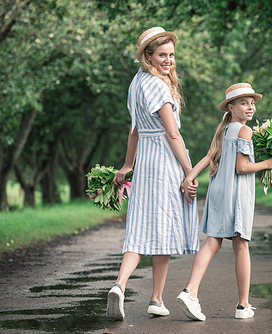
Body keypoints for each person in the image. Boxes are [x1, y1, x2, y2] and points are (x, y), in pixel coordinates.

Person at [107, 27, 199, 321]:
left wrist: (127, 164)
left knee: (141, 227)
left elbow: (133, 130)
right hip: (163, 160)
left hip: (145, 161)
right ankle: (153, 297)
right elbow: (173, 134)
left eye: (171, 55)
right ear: (148, 56)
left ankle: (123, 287)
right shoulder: (158, 87)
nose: (168, 60)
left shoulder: (136, 83)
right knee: (163, 228)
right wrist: (189, 172)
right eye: (162, 55)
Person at [175, 83, 272, 321]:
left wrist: (189, 176)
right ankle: (243, 306)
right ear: (231, 107)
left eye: (252, 103)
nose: (250, 107)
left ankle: (190, 290)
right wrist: (266, 164)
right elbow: (242, 168)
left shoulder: (224, 130)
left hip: (218, 190)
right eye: (244, 103)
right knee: (241, 246)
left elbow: (209, 156)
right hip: (236, 193)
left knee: (212, 242)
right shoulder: (244, 131)